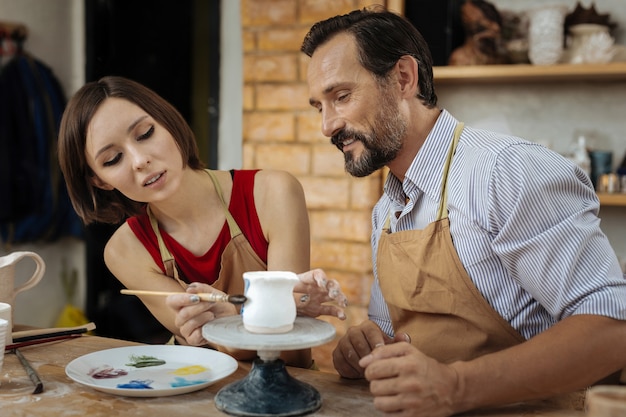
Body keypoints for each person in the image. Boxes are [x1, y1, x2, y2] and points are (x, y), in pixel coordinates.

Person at [301, 6, 626, 415]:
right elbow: (396, 335)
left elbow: (613, 328)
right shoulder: (386, 209)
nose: (327, 126)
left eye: (341, 96)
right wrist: (366, 348)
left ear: (403, 77)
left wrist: (454, 386)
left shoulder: (506, 170)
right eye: (319, 107)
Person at [58, 76, 347, 368]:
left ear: (167, 122)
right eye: (113, 159)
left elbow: (288, 353)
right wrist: (214, 328)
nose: (139, 160)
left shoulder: (273, 194)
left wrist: (231, 320)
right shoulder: (124, 251)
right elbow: (205, 343)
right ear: (99, 181)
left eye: (145, 133)